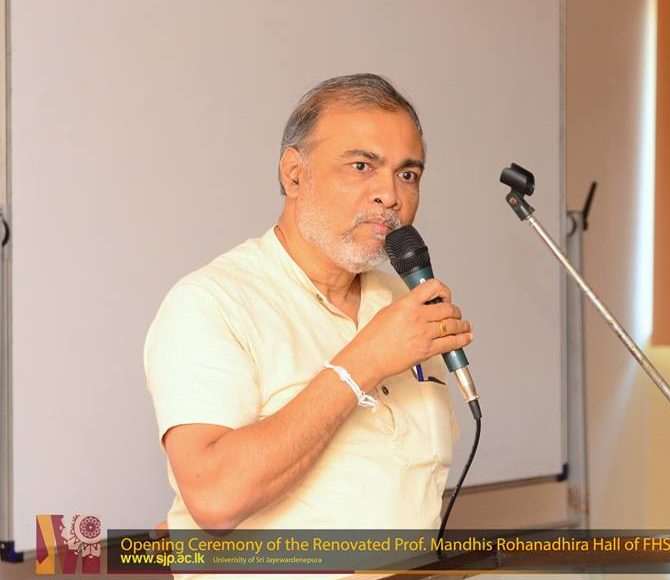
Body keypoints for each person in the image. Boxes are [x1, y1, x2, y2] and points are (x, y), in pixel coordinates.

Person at [144, 74, 470, 539]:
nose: (391, 196)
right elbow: (214, 498)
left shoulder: (402, 304)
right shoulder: (210, 303)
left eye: (407, 174)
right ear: (294, 174)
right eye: (362, 166)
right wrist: (367, 360)